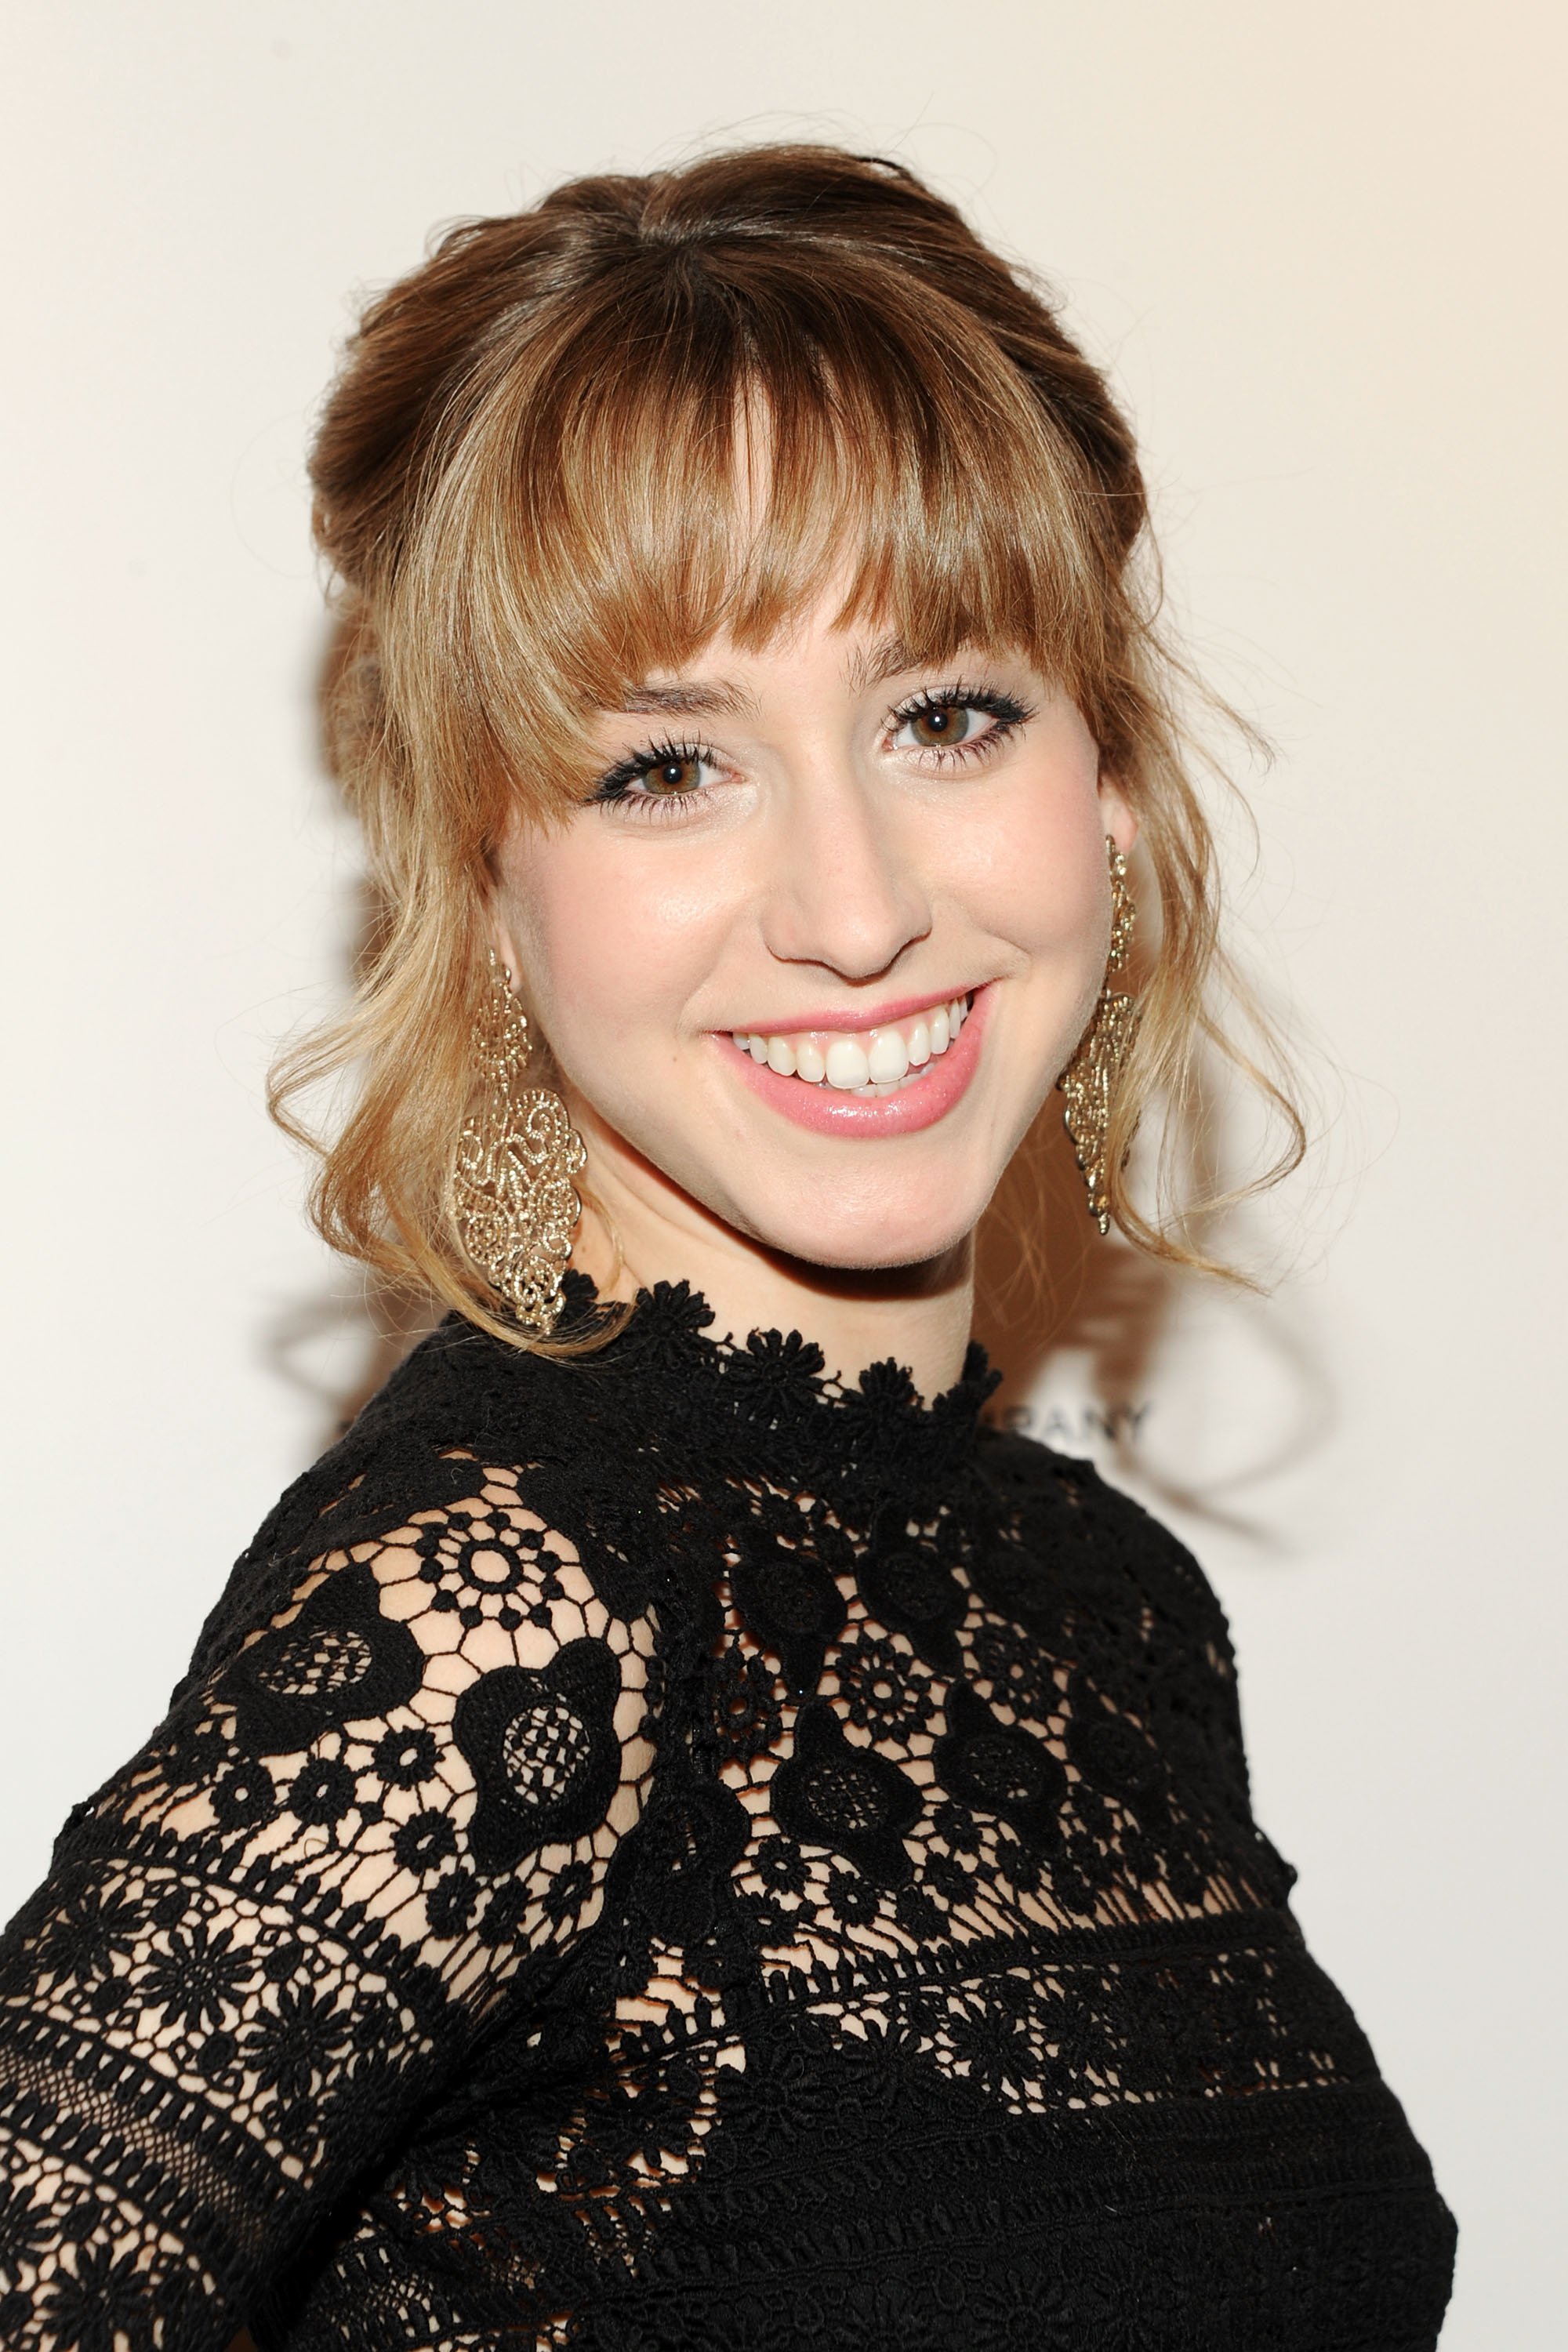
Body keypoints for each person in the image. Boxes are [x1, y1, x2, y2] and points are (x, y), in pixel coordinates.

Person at [0, 145, 1455, 2350]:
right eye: (666, 769)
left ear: (1115, 792)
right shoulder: (500, 1615)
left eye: (947, 717)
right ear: (486, 888)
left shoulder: (1108, 1603)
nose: (855, 905)